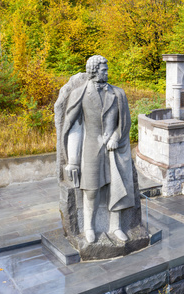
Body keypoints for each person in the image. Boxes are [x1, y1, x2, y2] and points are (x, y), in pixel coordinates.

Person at [61, 55, 135, 243]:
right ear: (93, 71)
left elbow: (125, 123)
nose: (107, 73)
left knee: (115, 187)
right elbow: (74, 128)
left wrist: (116, 137)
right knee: (91, 190)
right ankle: (89, 227)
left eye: (107, 69)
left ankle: (116, 226)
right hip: (90, 149)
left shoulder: (118, 93)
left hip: (113, 149)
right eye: (103, 69)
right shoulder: (80, 93)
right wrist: (72, 161)